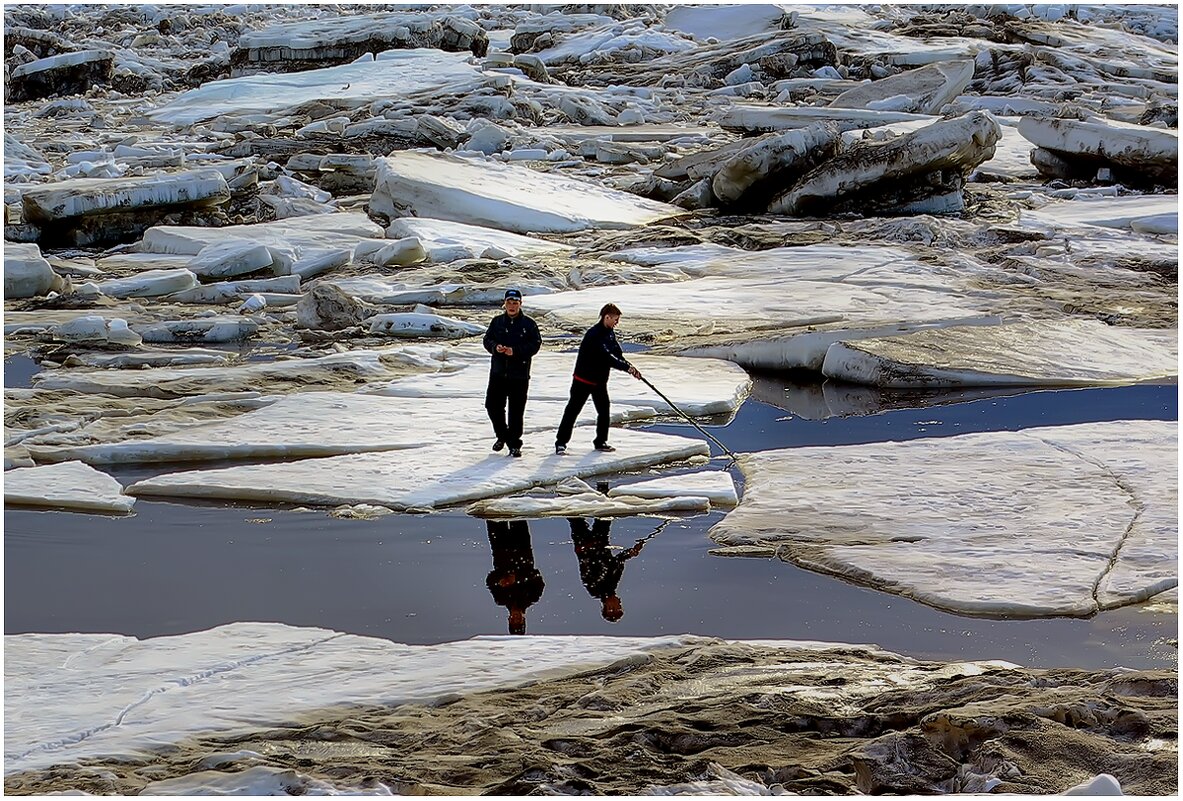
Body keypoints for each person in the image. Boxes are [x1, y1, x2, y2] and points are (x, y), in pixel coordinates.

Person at [554, 303, 642, 455]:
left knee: (604, 411)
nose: (617, 322)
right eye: (615, 319)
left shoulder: (610, 333)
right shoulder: (594, 334)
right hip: (583, 380)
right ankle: (561, 442)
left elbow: (617, 354)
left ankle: (600, 441)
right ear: (606, 317)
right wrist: (626, 367)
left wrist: (630, 367)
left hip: (599, 381)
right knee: (573, 410)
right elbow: (606, 357)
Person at [483, 289, 542, 458]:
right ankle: (502, 436)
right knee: (492, 406)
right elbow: (487, 340)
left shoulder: (529, 324)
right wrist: (496, 347)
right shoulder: (497, 322)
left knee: (516, 411)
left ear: (520, 304)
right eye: (509, 302)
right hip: (498, 373)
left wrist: (515, 351)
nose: (512, 306)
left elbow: (535, 345)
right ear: (505, 304)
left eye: (515, 303)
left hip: (519, 375)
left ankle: (514, 444)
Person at [567, 517, 646, 623]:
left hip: (585, 543)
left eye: (614, 608)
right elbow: (618, 562)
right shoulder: (612, 586)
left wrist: (628, 554)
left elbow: (607, 564)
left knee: (575, 516)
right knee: (604, 515)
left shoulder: (595, 589)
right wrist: (630, 553)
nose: (617, 604)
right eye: (619, 607)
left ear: (606, 607)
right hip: (599, 541)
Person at [485, 520, 545, 635]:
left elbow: (489, 580)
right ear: (523, 619)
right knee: (517, 515)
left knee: (493, 517)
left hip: (500, 548)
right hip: (522, 547)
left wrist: (499, 580)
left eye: (513, 620)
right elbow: (537, 577)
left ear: (509, 619)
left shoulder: (501, 598)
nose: (515, 617)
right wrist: (517, 578)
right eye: (519, 620)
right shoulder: (532, 597)